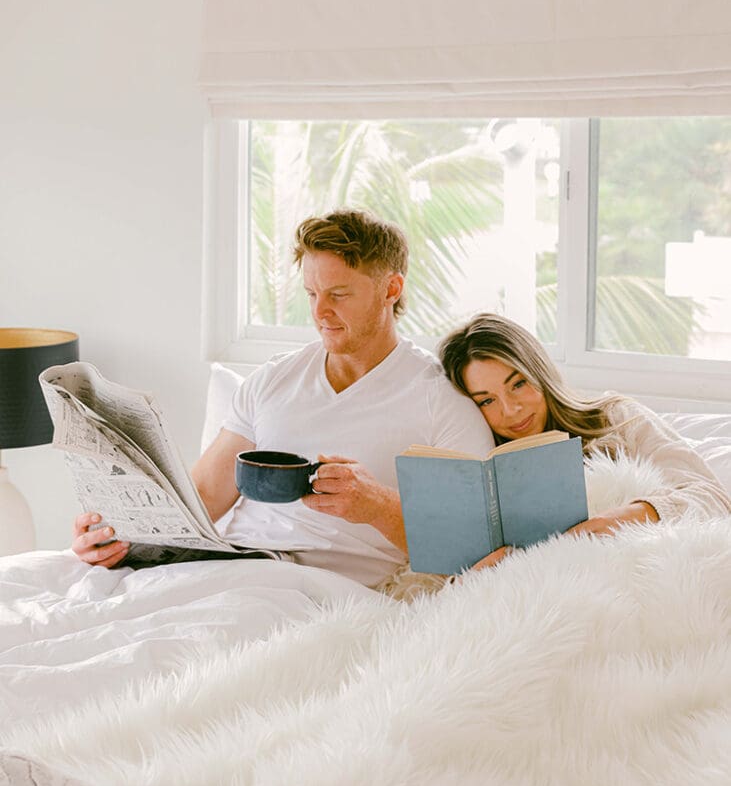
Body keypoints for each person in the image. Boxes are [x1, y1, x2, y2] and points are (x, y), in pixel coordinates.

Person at [71, 210, 494, 587]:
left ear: (391, 288)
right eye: (312, 294)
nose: (320, 312)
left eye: (339, 295)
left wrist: (377, 506)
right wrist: (122, 535)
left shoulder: (440, 398)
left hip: (325, 590)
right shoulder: (274, 379)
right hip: (232, 568)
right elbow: (201, 498)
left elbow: (472, 544)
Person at [438, 312, 731, 569]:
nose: (510, 410)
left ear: (539, 372)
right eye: (487, 400)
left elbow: (714, 498)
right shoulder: (481, 471)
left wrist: (625, 518)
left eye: (518, 383)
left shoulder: (616, 417)